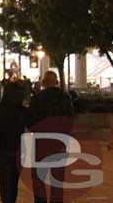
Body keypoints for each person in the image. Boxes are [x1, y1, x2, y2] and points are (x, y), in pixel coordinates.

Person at [27, 71, 74, 203]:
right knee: (57, 180)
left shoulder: (37, 98)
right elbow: (70, 119)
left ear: (44, 83)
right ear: (56, 81)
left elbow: (30, 120)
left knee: (38, 180)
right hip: (59, 143)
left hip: (40, 143)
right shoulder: (65, 98)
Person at [0, 82, 30, 203]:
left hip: (2, 150)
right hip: (18, 150)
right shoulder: (24, 111)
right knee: (13, 182)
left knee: (4, 182)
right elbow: (31, 126)